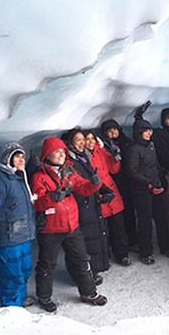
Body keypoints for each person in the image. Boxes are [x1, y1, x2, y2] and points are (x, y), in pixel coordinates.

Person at [31, 137, 107, 312]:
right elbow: (35, 201)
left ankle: (89, 292)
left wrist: (95, 184)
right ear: (47, 155)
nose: (61, 155)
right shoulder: (39, 177)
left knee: (82, 259)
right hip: (51, 228)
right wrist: (51, 198)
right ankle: (44, 296)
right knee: (47, 264)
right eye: (57, 152)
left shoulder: (69, 172)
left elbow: (82, 187)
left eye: (63, 151)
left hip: (71, 225)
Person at [0, 142, 37, 307]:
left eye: (22, 156)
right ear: (8, 159)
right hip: (8, 236)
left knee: (24, 270)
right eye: (17, 156)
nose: (21, 159)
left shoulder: (19, 177)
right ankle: (10, 306)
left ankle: (21, 298)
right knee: (12, 275)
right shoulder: (0, 179)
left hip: (23, 234)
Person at [124, 110, 169, 264]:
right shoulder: (134, 149)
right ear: (139, 133)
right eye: (145, 131)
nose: (148, 133)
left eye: (149, 131)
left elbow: (155, 166)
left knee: (161, 218)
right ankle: (146, 252)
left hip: (155, 188)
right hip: (142, 192)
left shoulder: (151, 146)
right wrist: (148, 184)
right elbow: (132, 171)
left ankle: (166, 247)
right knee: (145, 222)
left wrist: (161, 182)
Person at [62, 128, 109, 284]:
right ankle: (81, 275)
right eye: (78, 140)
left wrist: (102, 190)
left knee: (92, 238)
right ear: (71, 142)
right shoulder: (70, 162)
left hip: (89, 203)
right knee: (82, 242)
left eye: (83, 139)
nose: (82, 143)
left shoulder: (82, 158)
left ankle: (91, 271)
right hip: (80, 205)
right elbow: (76, 184)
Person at [137, 102, 169, 242]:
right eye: (168, 118)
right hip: (168, 177)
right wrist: (139, 116)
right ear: (163, 121)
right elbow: (144, 131)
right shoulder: (158, 134)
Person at [85, 131, 131, 266]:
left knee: (119, 227)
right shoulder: (83, 158)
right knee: (102, 230)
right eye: (87, 139)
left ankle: (122, 254)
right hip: (98, 195)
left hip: (112, 192)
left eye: (92, 139)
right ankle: (105, 256)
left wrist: (115, 158)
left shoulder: (101, 152)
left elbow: (114, 170)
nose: (90, 142)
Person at [99, 118, 137, 249]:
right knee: (119, 215)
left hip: (129, 182)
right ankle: (119, 242)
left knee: (130, 212)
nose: (112, 132)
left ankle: (132, 240)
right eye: (109, 131)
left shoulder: (127, 142)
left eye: (114, 129)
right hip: (115, 184)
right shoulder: (104, 148)